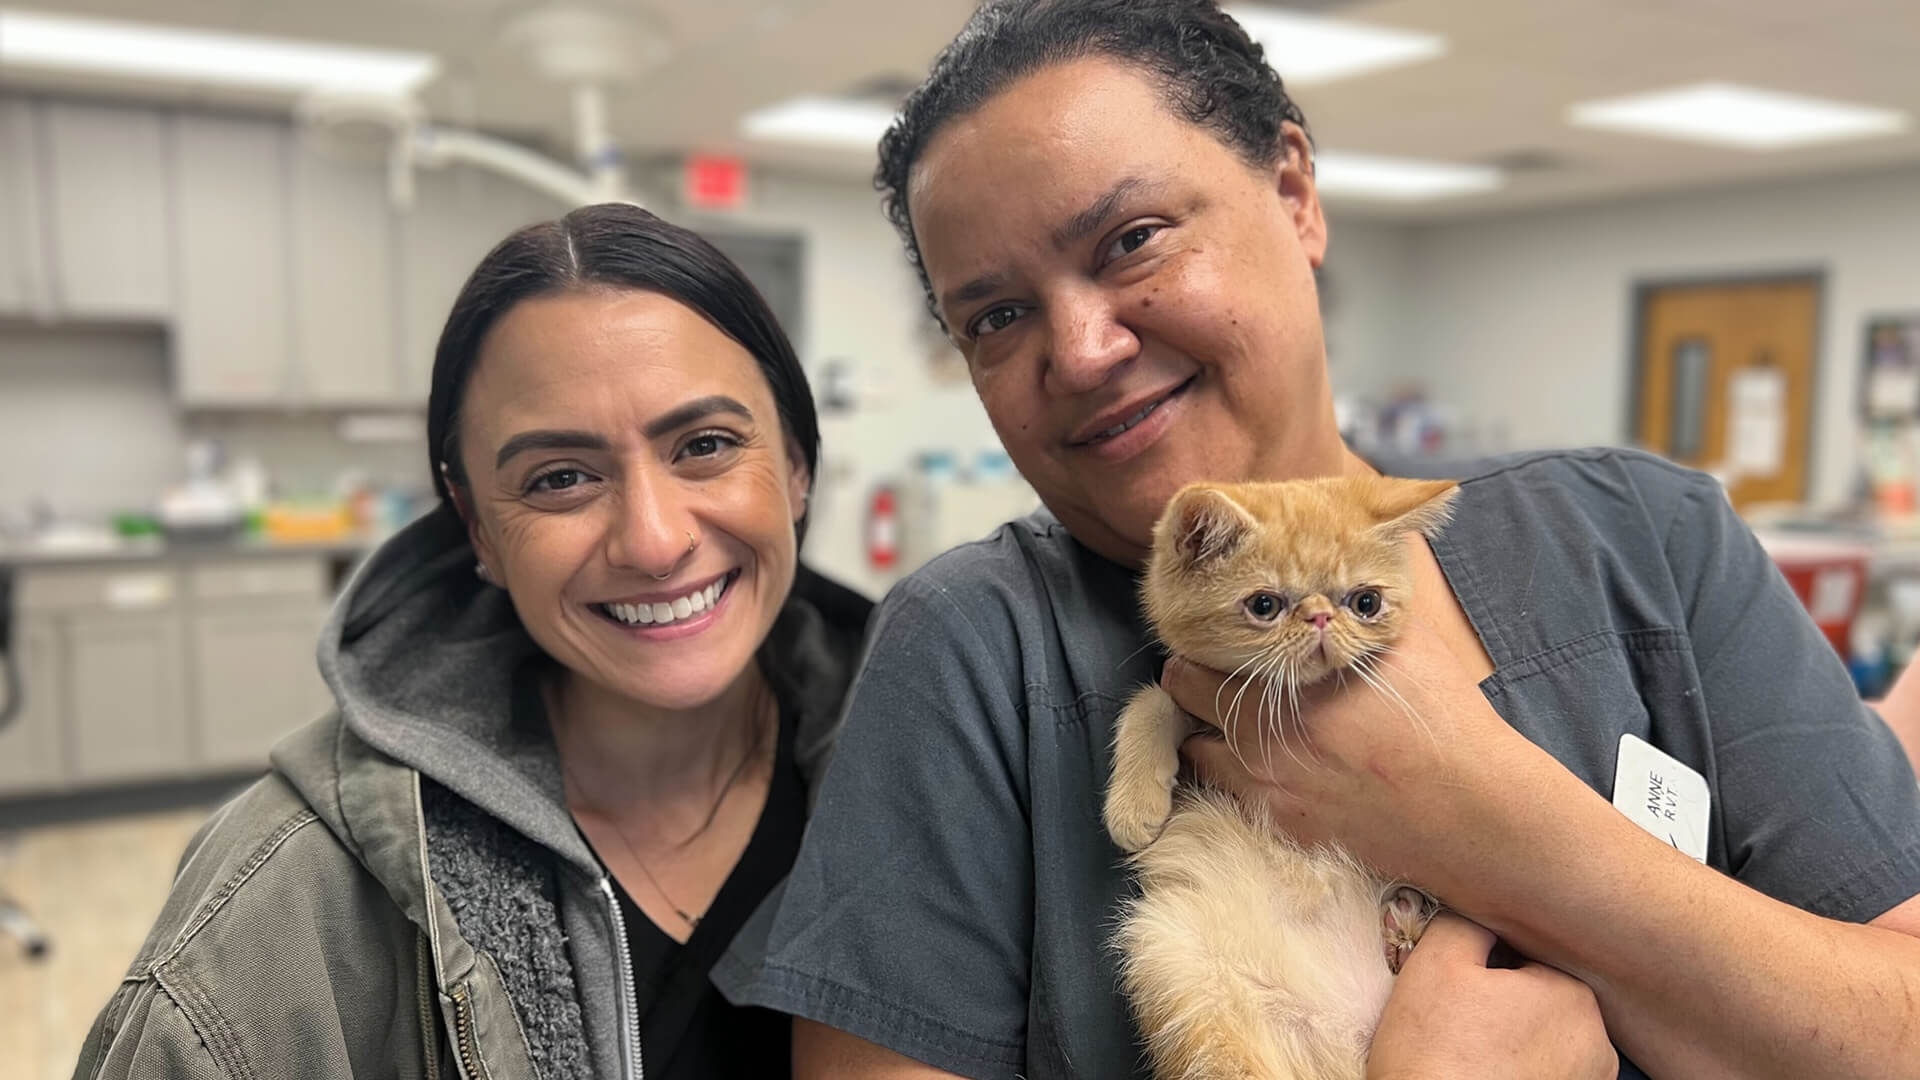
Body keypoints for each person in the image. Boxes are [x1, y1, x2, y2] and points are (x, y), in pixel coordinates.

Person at [717, 2, 1920, 1077]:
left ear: (1294, 193)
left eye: (1131, 239)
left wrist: (1502, 828)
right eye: (995, 314)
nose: (1080, 350)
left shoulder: (1645, 538)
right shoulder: (974, 652)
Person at [72, 203, 873, 1080]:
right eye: (561, 478)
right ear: (479, 529)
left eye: (706, 445)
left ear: (796, 465)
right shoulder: (288, 909)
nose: (652, 541)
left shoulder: (939, 774)